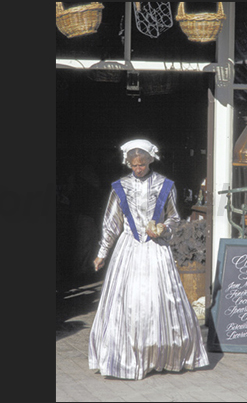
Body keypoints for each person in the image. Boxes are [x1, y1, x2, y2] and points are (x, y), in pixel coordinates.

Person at [88, 139, 209, 380]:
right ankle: (125, 357)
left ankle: (162, 355)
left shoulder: (165, 186)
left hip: (156, 248)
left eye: (141, 164)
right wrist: (102, 252)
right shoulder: (120, 187)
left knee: (159, 298)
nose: (137, 169)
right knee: (128, 300)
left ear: (150, 161)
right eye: (133, 165)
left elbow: (175, 217)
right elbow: (112, 223)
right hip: (129, 248)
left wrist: (164, 228)